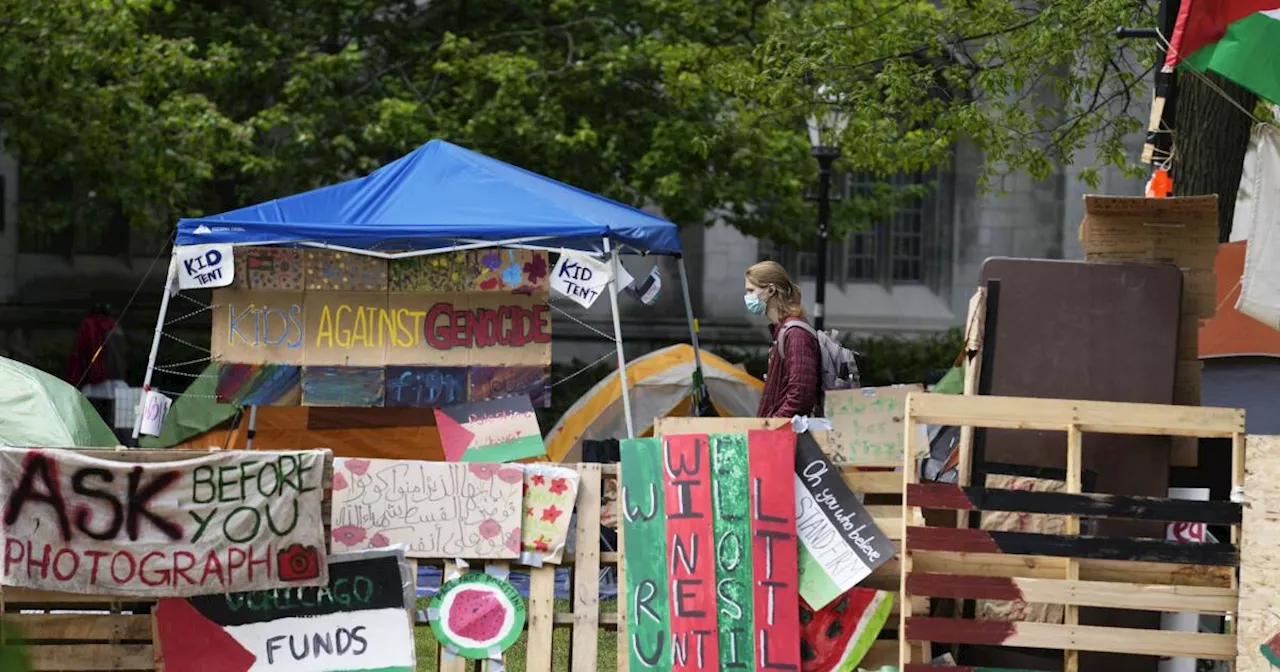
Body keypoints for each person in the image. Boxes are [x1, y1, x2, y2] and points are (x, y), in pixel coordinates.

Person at [745, 261, 822, 418]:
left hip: (787, 436)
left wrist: (773, 425)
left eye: (751, 290)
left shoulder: (795, 334)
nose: (747, 297)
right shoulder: (783, 331)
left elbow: (800, 394)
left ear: (771, 290)